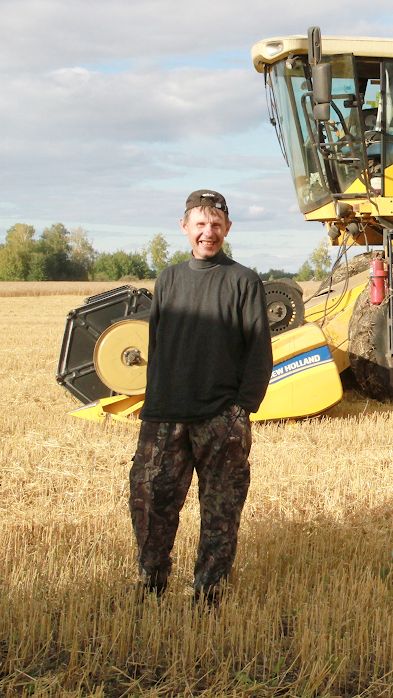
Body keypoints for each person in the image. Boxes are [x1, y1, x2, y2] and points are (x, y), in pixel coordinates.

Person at [129, 189, 273, 604]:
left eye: (215, 224)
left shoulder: (243, 280)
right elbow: (158, 345)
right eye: (200, 224)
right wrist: (153, 401)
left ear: (227, 228)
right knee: (150, 502)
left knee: (221, 510)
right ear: (184, 227)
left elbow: (258, 351)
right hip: (165, 414)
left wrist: (241, 409)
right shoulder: (169, 279)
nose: (207, 232)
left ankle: (209, 593)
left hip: (221, 417)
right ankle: (151, 583)